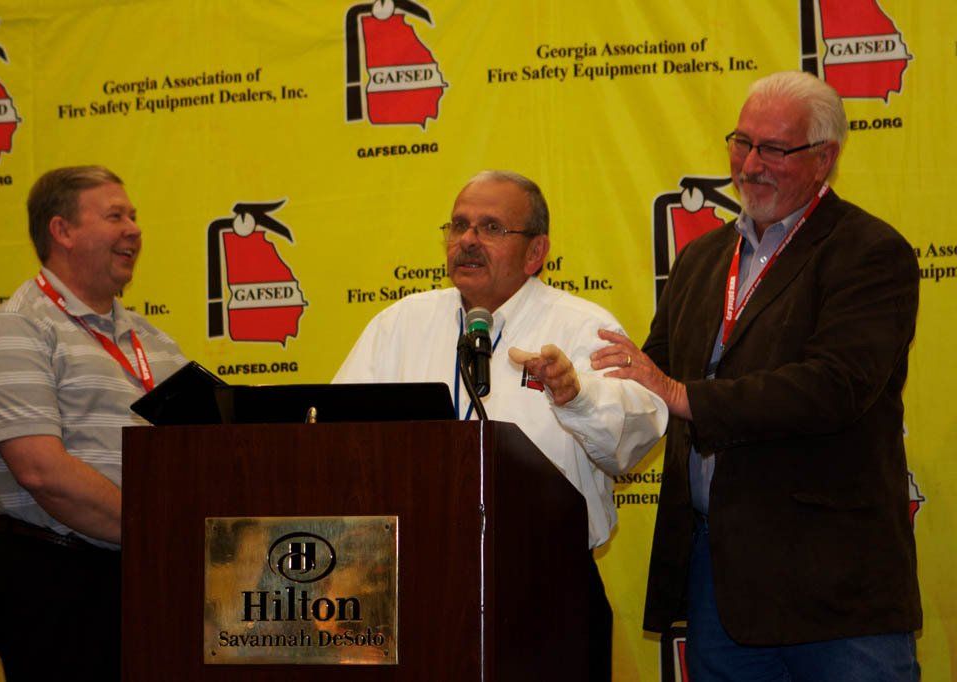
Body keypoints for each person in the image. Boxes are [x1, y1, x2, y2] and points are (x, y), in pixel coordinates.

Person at [593, 71, 921, 680]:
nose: (750, 164)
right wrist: (577, 388)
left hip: (835, 591)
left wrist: (685, 396)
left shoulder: (870, 252)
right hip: (720, 584)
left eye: (774, 148)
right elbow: (651, 378)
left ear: (826, 158)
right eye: (741, 143)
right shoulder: (699, 259)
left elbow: (833, 387)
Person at [334, 170, 668, 680]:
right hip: (411, 587)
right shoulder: (399, 325)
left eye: (491, 228)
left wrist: (576, 395)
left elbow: (635, 433)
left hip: (545, 589)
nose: (467, 240)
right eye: (459, 225)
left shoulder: (581, 325)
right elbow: (336, 437)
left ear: (536, 253)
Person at [0, 166, 186, 681]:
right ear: (62, 231)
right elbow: (42, 472)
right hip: (58, 586)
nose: (134, 229)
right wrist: (167, 533)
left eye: (134, 216)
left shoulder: (158, 345)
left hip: (151, 580)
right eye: (115, 215)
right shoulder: (15, 329)